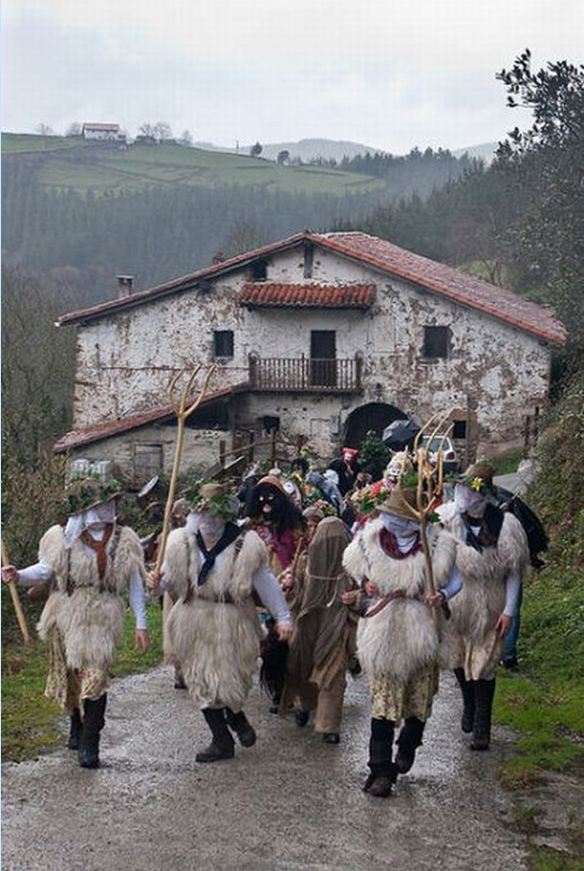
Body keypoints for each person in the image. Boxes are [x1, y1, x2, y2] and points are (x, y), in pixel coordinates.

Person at [1, 473, 150, 769]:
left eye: (110, 503)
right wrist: (18, 576)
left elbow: (135, 582)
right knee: (71, 678)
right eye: (101, 504)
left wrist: (141, 624)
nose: (107, 510)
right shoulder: (61, 538)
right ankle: (76, 723)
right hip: (67, 613)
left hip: (102, 615)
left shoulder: (124, 539)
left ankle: (90, 742)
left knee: (96, 679)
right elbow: (45, 571)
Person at [155, 482, 293, 763]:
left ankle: (236, 715)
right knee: (199, 679)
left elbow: (266, 584)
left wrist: (283, 617)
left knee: (233, 678)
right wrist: (156, 582)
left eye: (217, 515)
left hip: (233, 619)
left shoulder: (244, 544)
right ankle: (221, 740)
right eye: (206, 515)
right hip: (193, 618)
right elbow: (169, 581)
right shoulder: (182, 543)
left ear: (226, 515)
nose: (211, 522)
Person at [343, 484, 461, 797]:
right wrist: (365, 584)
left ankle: (409, 742)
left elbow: (456, 580)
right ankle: (381, 770)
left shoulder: (438, 544)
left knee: (418, 700)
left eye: (400, 518)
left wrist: (442, 594)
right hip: (383, 629)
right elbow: (356, 570)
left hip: (421, 625)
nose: (392, 523)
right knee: (382, 702)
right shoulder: (370, 540)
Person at [438, 462, 530, 750]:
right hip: (460, 601)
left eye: (470, 490)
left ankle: (482, 727)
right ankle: (468, 701)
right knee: (458, 658)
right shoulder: (454, 521)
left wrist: (509, 611)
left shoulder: (506, 526)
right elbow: (445, 560)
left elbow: (513, 571)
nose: (464, 496)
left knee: (485, 663)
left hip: (491, 602)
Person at [281, 517, 358, 743]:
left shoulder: (352, 570)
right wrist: (290, 583)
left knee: (333, 675)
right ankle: (304, 704)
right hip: (308, 625)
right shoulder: (305, 562)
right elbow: (289, 583)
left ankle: (328, 725)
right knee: (304, 667)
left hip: (336, 626)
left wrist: (355, 597)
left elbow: (366, 594)